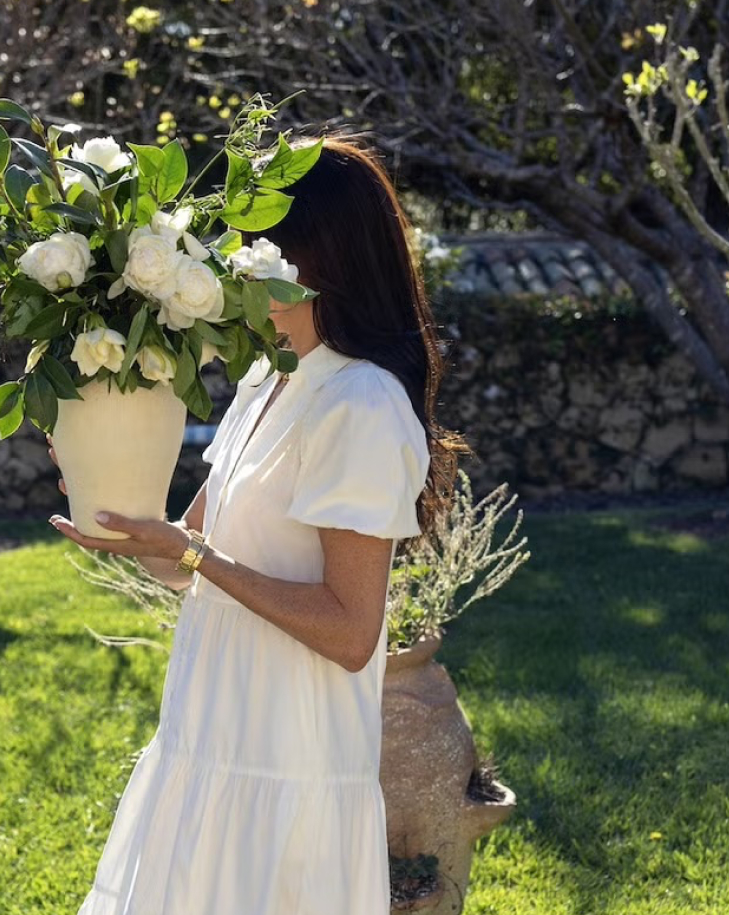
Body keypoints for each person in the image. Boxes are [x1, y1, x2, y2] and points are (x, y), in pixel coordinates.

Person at [48, 132, 468, 915]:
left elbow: (350, 631)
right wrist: (114, 499)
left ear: (317, 256)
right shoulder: (268, 380)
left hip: (290, 768)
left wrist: (195, 557)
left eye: (258, 243)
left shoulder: (361, 403)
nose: (235, 262)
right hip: (209, 739)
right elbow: (182, 561)